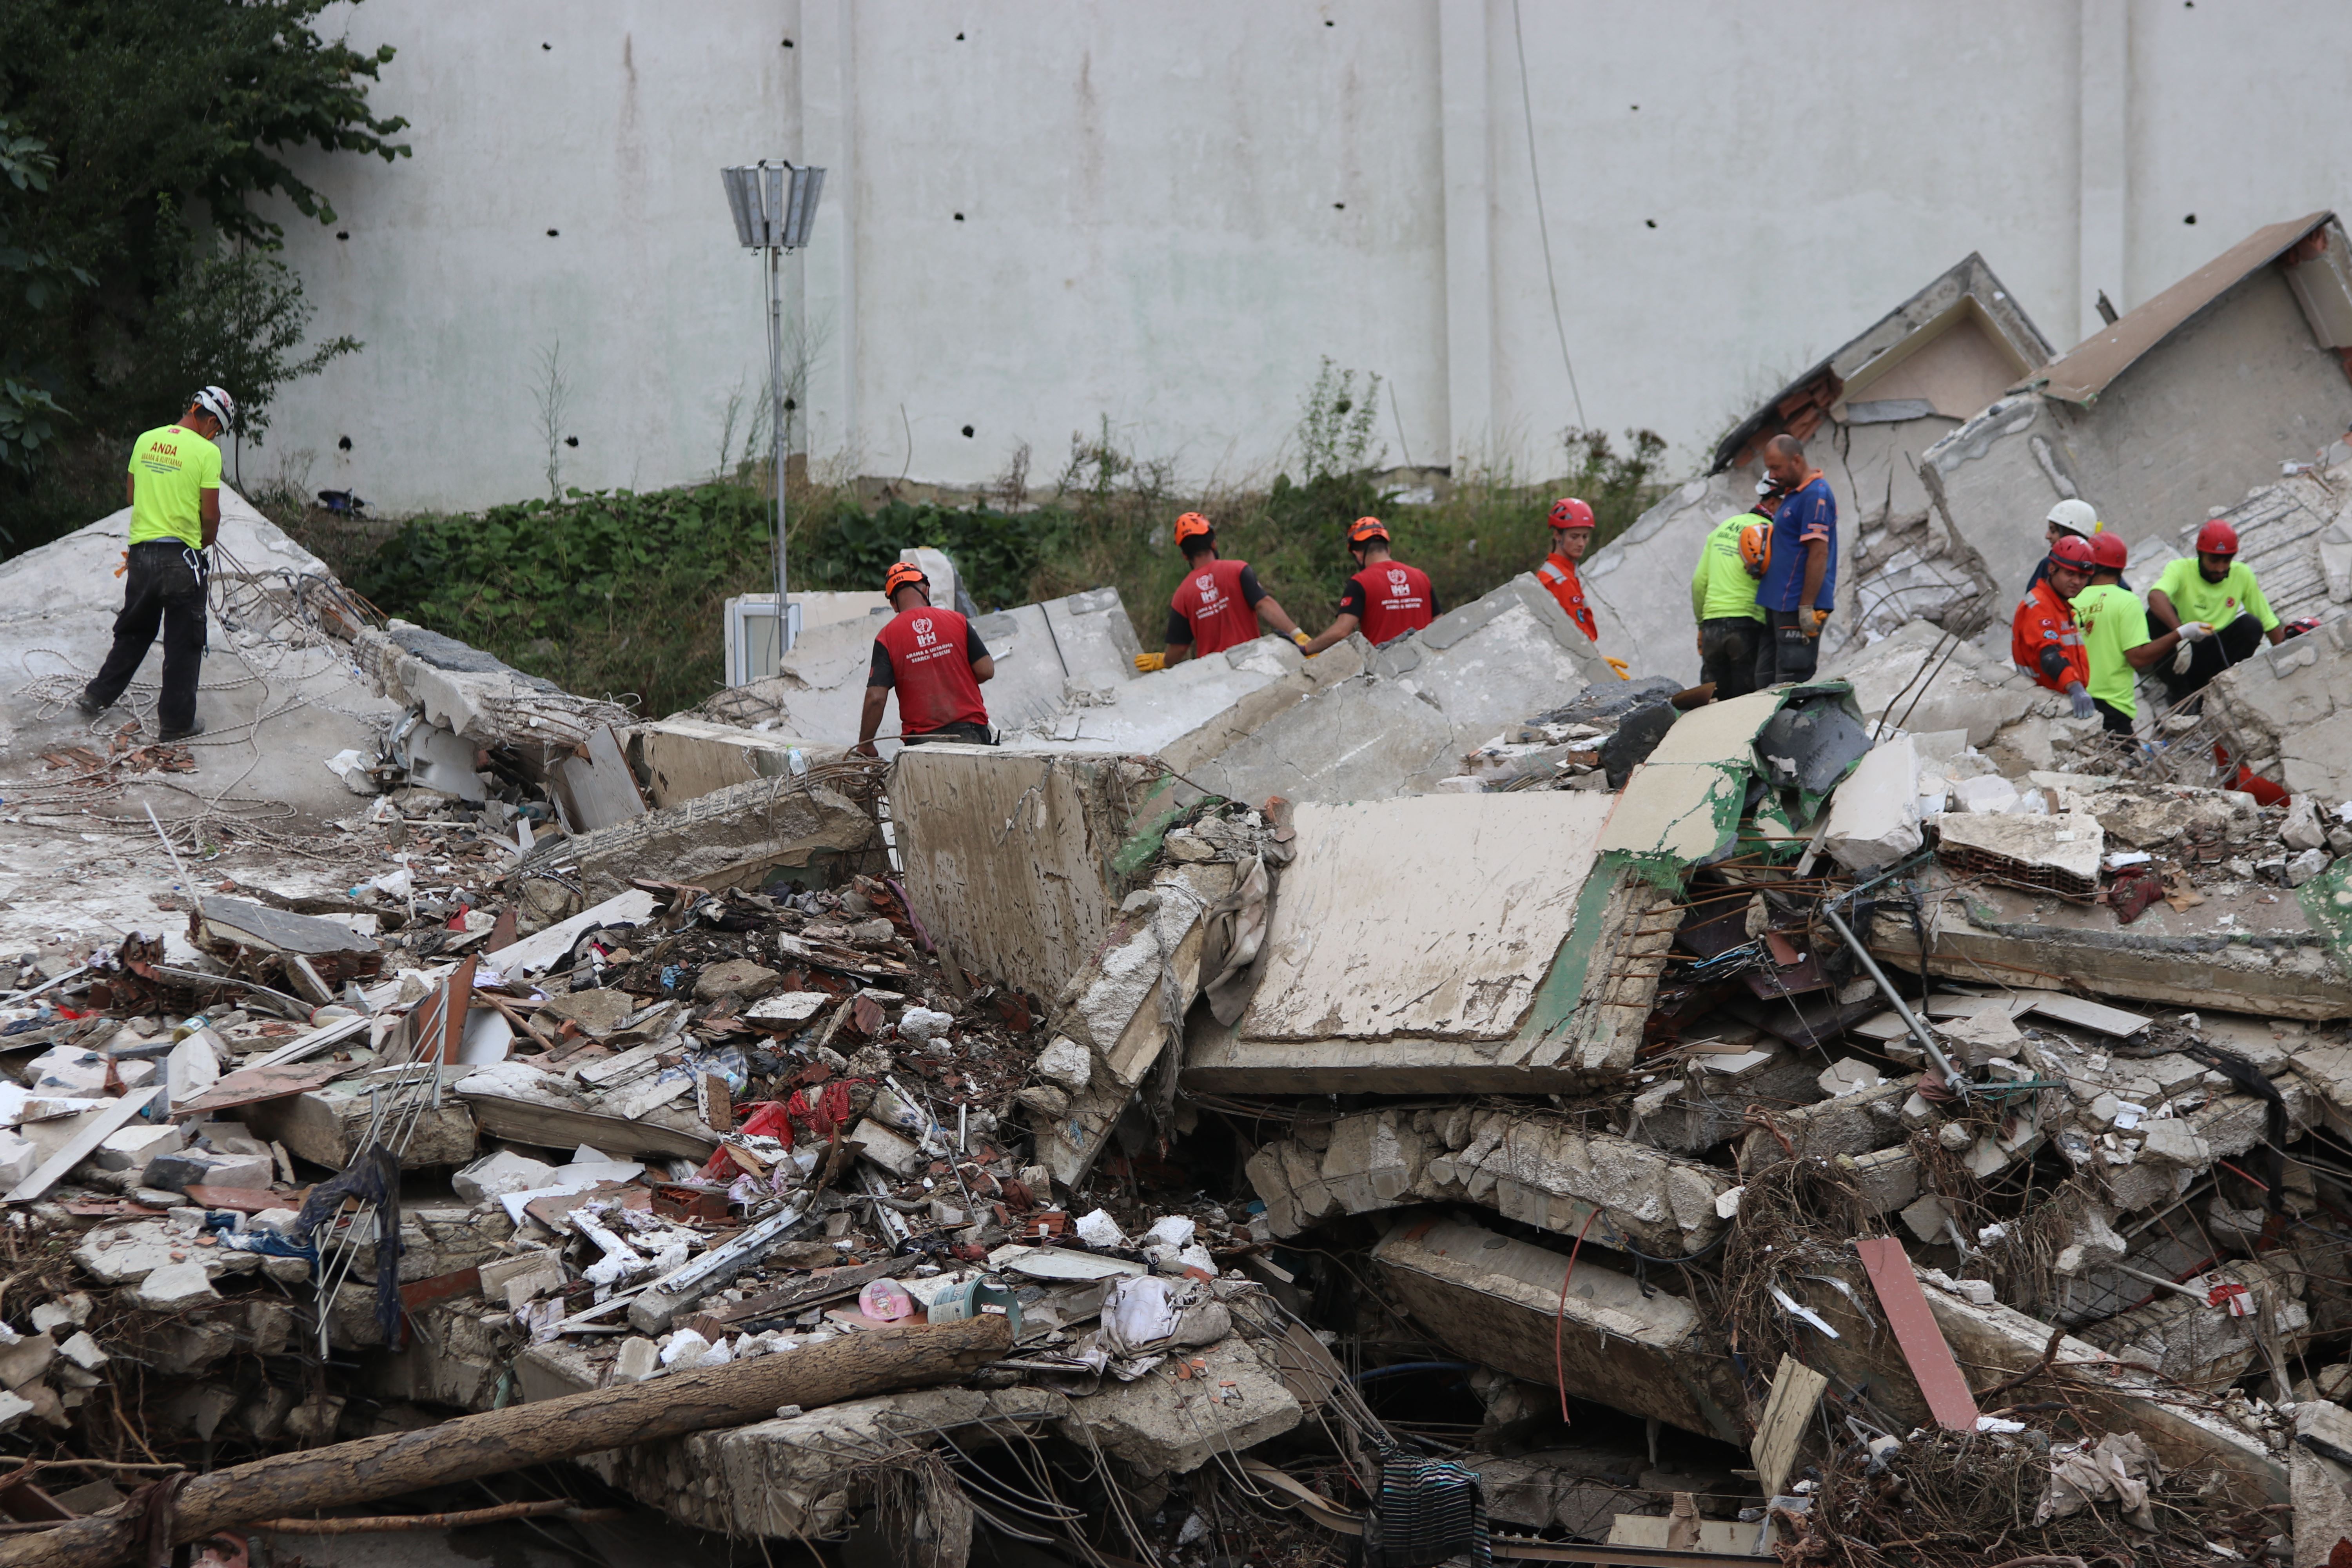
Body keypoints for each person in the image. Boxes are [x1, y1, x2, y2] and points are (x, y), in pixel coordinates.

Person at [77, 387, 236, 741]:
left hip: (141, 557)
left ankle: (97, 694)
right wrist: (203, 542)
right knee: (184, 642)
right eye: (218, 431)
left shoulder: (146, 440)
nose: (215, 437)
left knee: (134, 630)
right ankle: (177, 724)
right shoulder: (207, 453)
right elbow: (211, 516)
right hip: (181, 560)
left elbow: (132, 495)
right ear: (212, 421)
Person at [1134, 512, 1311, 671]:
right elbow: (1264, 604)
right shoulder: (1238, 570)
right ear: (1213, 543)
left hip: (1214, 674)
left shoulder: (1182, 595)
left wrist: (1163, 661)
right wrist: (1298, 635)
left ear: (1185, 556)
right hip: (1252, 664)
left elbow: (1179, 648)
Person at [857, 562, 994, 753]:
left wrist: (865, 744)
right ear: (925, 590)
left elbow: (876, 699)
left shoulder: (886, 637)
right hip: (972, 733)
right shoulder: (957, 620)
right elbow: (986, 670)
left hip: (922, 742)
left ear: (893, 604)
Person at [2146, 519, 2283, 702]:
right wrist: (2181, 634)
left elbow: (2268, 622)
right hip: (2181, 654)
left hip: (2213, 654)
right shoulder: (2180, 569)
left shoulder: (2242, 575)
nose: (2220, 568)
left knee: (2251, 626)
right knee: (2155, 616)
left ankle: (2218, 686)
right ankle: (2179, 692)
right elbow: (2156, 596)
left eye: (2227, 561)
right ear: (2200, 554)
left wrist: (2285, 657)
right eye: (2214, 561)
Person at [2070, 533, 2186, 737]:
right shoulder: (2127, 601)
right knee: (2125, 754)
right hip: (2113, 706)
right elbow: (2138, 658)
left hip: (2077, 701)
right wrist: (2180, 634)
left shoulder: (2071, 602)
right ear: (2121, 569)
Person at [1752, 434, 1836, 687]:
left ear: (1796, 461)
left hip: (1797, 607)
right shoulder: (1793, 495)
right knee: (1764, 682)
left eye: (1776, 468)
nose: (1773, 475)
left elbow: (1819, 553)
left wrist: (1806, 607)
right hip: (1777, 605)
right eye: (1769, 468)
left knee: (1790, 684)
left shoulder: (1816, 494)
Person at [1300, 518, 1438, 653]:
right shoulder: (1421, 577)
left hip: (1385, 665)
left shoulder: (1360, 582)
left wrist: (1306, 649)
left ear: (1358, 555)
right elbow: (1439, 621)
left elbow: (1341, 631)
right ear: (1388, 549)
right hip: (1425, 662)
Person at [1535, 498, 1632, 678]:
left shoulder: (1567, 573)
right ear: (1558, 536)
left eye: (1585, 537)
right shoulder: (1556, 580)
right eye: (1574, 537)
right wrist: (1595, 666)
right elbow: (1572, 637)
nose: (1581, 543)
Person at [2010, 534, 2096, 720]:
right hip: (2043, 704)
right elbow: (2049, 655)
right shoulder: (2039, 607)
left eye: (2083, 577)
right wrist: (2075, 688)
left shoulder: (2061, 607)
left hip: (2059, 699)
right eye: (2070, 574)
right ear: (2052, 569)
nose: (2077, 582)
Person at [1689, 509, 1769, 700]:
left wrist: (1701, 625)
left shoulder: (1721, 529)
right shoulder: (1769, 532)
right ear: (1774, 503)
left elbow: (1698, 582)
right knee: (1746, 700)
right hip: (1747, 622)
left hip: (1712, 624)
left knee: (1714, 699)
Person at [2023, 499, 2111, 594]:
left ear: (2070, 533)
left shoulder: (2050, 562)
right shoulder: (2105, 571)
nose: (2047, 536)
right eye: (2070, 573)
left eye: (2053, 531)